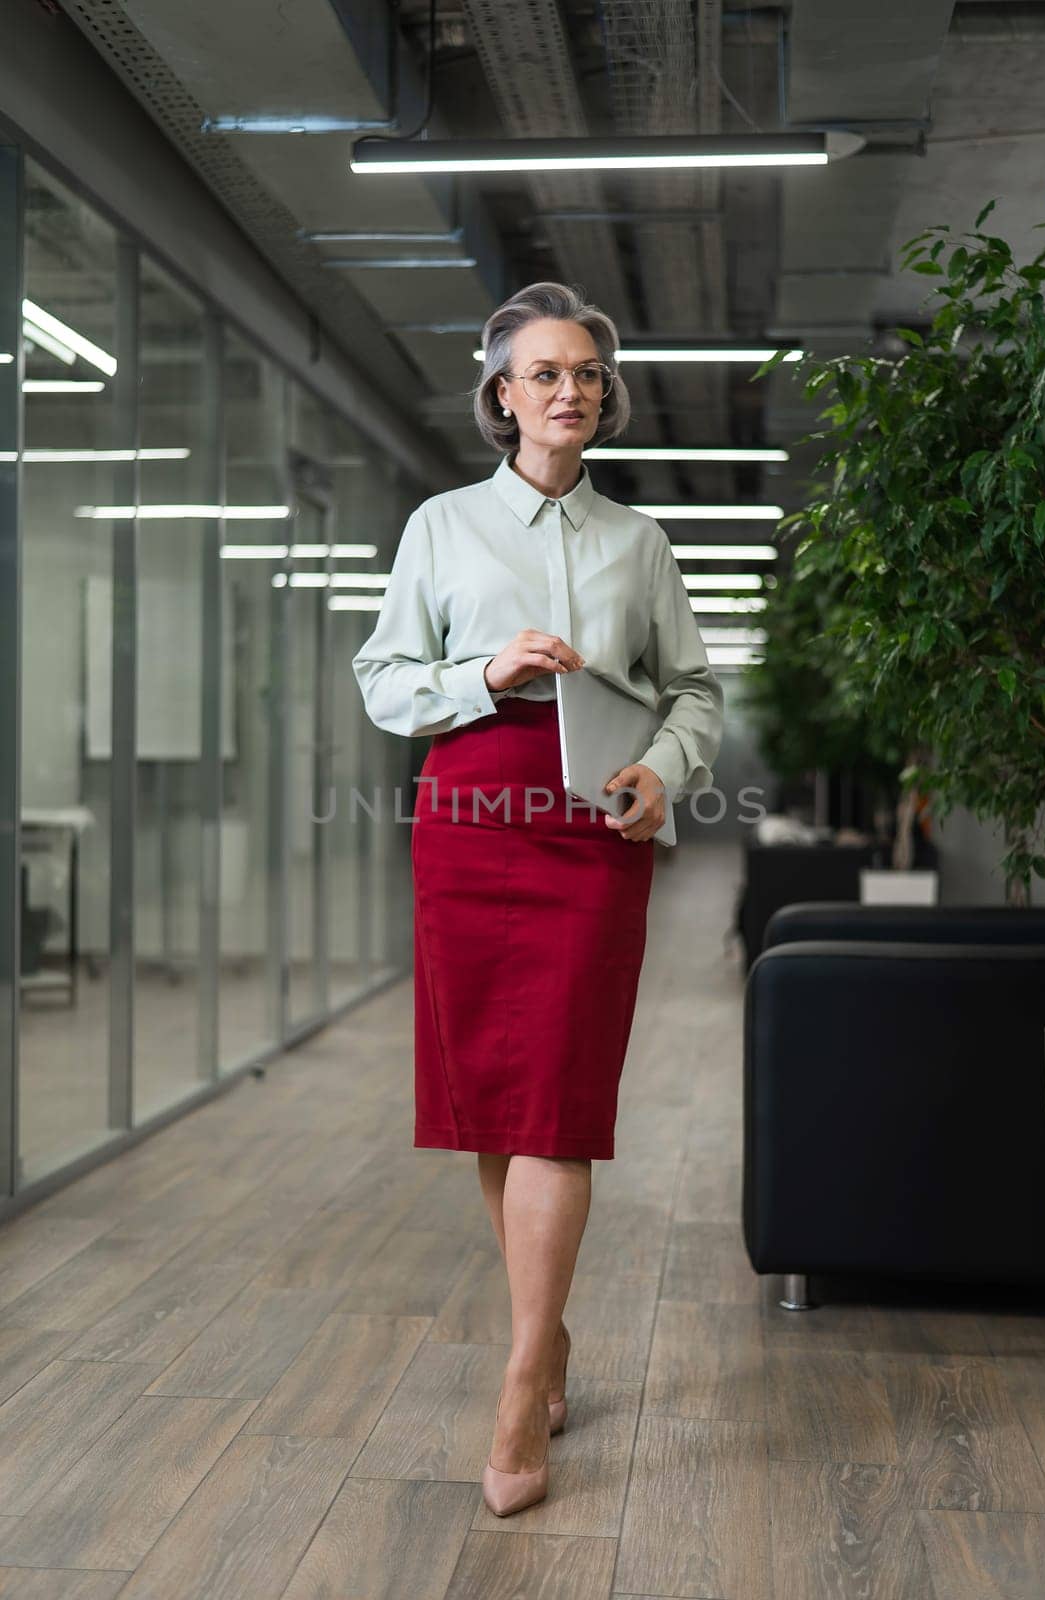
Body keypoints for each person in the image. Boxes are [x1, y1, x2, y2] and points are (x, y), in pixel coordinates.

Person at [352, 281, 724, 1517]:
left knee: (557, 1103)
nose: (572, 391)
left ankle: (519, 1380)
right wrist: (484, 669)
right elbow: (383, 680)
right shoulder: (442, 525)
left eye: (587, 375)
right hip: (471, 812)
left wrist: (662, 774)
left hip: (595, 822)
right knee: (492, 1107)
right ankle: (548, 1329)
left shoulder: (640, 544)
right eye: (546, 373)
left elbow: (694, 697)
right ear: (500, 395)